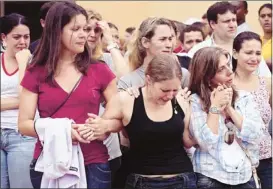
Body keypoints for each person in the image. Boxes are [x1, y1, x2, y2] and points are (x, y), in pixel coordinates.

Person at [17, 2, 118, 189]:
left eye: (85, 28)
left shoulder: (99, 69)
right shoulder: (36, 72)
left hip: (93, 163)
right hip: (49, 162)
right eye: (75, 29)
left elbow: (117, 113)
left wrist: (105, 124)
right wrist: (64, 132)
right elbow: (23, 124)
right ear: (57, 31)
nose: (84, 34)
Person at [79, 53, 197, 189]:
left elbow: (187, 141)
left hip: (182, 179)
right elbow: (104, 130)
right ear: (148, 80)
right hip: (141, 179)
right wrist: (101, 126)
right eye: (164, 90)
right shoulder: (127, 99)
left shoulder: (181, 100)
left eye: (174, 90)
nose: (170, 95)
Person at [188, 46, 263, 188]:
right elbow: (206, 141)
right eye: (221, 69)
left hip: (244, 174)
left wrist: (230, 109)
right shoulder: (195, 101)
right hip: (211, 176)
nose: (230, 72)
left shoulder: (243, 97)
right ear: (207, 77)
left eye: (228, 65)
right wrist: (215, 107)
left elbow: (257, 134)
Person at [188, 1, 271, 78]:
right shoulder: (198, 50)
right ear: (213, 24)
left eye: (234, 20)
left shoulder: (250, 47)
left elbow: (266, 78)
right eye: (227, 21)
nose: (232, 25)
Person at [232, 31, 272, 189]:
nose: (254, 58)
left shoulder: (268, 84)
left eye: (258, 53)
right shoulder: (227, 84)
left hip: (266, 159)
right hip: (237, 160)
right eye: (248, 53)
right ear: (235, 53)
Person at [0, 13, 36, 188]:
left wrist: (23, 65)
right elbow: (25, 99)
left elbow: (27, 96)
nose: (22, 41)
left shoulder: (36, 65)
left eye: (26, 37)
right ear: (4, 38)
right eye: (17, 37)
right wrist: (22, 101)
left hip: (22, 136)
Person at [258, 3, 272, 72]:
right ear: (259, 20)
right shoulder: (256, 40)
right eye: (263, 16)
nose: (266, 19)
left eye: (270, 16)